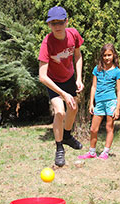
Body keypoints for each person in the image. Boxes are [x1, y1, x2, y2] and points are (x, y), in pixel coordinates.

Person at [38, 6, 84, 167]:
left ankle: (67, 136)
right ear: (49, 24)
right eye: (53, 23)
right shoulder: (47, 42)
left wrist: (78, 78)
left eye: (60, 22)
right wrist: (63, 93)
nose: (57, 26)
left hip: (69, 77)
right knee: (60, 111)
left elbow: (77, 55)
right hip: (53, 81)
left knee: (73, 108)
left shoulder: (73, 34)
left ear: (66, 21)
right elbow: (42, 76)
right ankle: (59, 148)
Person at [78, 43, 120, 160]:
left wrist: (117, 108)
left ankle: (105, 152)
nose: (107, 58)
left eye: (109, 55)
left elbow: (119, 91)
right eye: (105, 55)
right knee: (93, 129)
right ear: (101, 56)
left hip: (111, 102)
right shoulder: (97, 70)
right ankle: (92, 152)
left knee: (109, 128)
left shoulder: (117, 71)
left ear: (114, 55)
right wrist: (91, 103)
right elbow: (93, 87)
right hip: (99, 103)